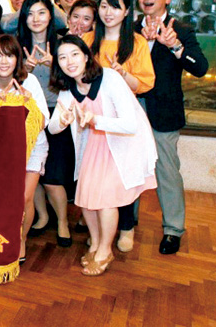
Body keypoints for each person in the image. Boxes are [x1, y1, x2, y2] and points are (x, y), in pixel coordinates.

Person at [48, 36, 157, 276]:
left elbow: (130, 124)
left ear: (86, 56)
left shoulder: (109, 78)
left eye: (74, 54)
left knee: (106, 200)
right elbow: (53, 127)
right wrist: (63, 120)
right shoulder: (68, 89)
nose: (69, 61)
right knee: (86, 199)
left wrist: (95, 120)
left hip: (120, 145)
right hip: (92, 146)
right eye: (63, 57)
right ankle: (96, 243)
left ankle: (105, 249)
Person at [135, 0, 209, 255]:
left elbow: (200, 67)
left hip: (163, 111)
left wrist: (174, 46)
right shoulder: (130, 30)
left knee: (166, 170)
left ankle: (173, 229)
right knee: (130, 166)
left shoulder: (182, 30)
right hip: (132, 109)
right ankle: (128, 222)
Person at [81, 0, 155, 252]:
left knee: (122, 175)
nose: (108, 12)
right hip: (92, 116)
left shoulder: (136, 43)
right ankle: (100, 233)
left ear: (126, 11)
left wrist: (122, 74)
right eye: (103, 6)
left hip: (122, 118)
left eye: (115, 6)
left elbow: (144, 84)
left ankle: (126, 227)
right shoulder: (88, 40)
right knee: (95, 176)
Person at [0, 35, 49, 264]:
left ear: (17, 59)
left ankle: (21, 239)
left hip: (32, 147)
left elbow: (44, 121)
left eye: (9, 55)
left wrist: (28, 104)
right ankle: (1, 236)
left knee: (23, 197)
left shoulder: (29, 82)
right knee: (1, 198)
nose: (3, 61)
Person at [17, 0, 74, 248]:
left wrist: (56, 64)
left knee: (53, 175)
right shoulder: (17, 46)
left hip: (58, 113)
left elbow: (76, 79)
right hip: (28, 115)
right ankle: (42, 216)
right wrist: (24, 70)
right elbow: (9, 80)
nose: (35, 19)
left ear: (51, 15)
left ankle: (62, 222)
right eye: (30, 14)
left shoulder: (63, 44)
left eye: (41, 12)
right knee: (33, 171)